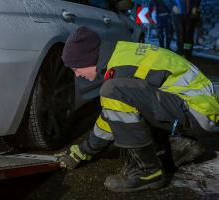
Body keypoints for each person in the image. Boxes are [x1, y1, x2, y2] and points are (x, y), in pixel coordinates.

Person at [58, 26, 218, 193]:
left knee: (113, 92)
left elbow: (110, 119)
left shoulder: (120, 70)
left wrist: (85, 150)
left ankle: (148, 171)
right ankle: (181, 146)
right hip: (195, 105)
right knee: (125, 99)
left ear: (88, 59)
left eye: (76, 69)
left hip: (197, 110)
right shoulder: (121, 54)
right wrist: (85, 149)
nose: (77, 75)